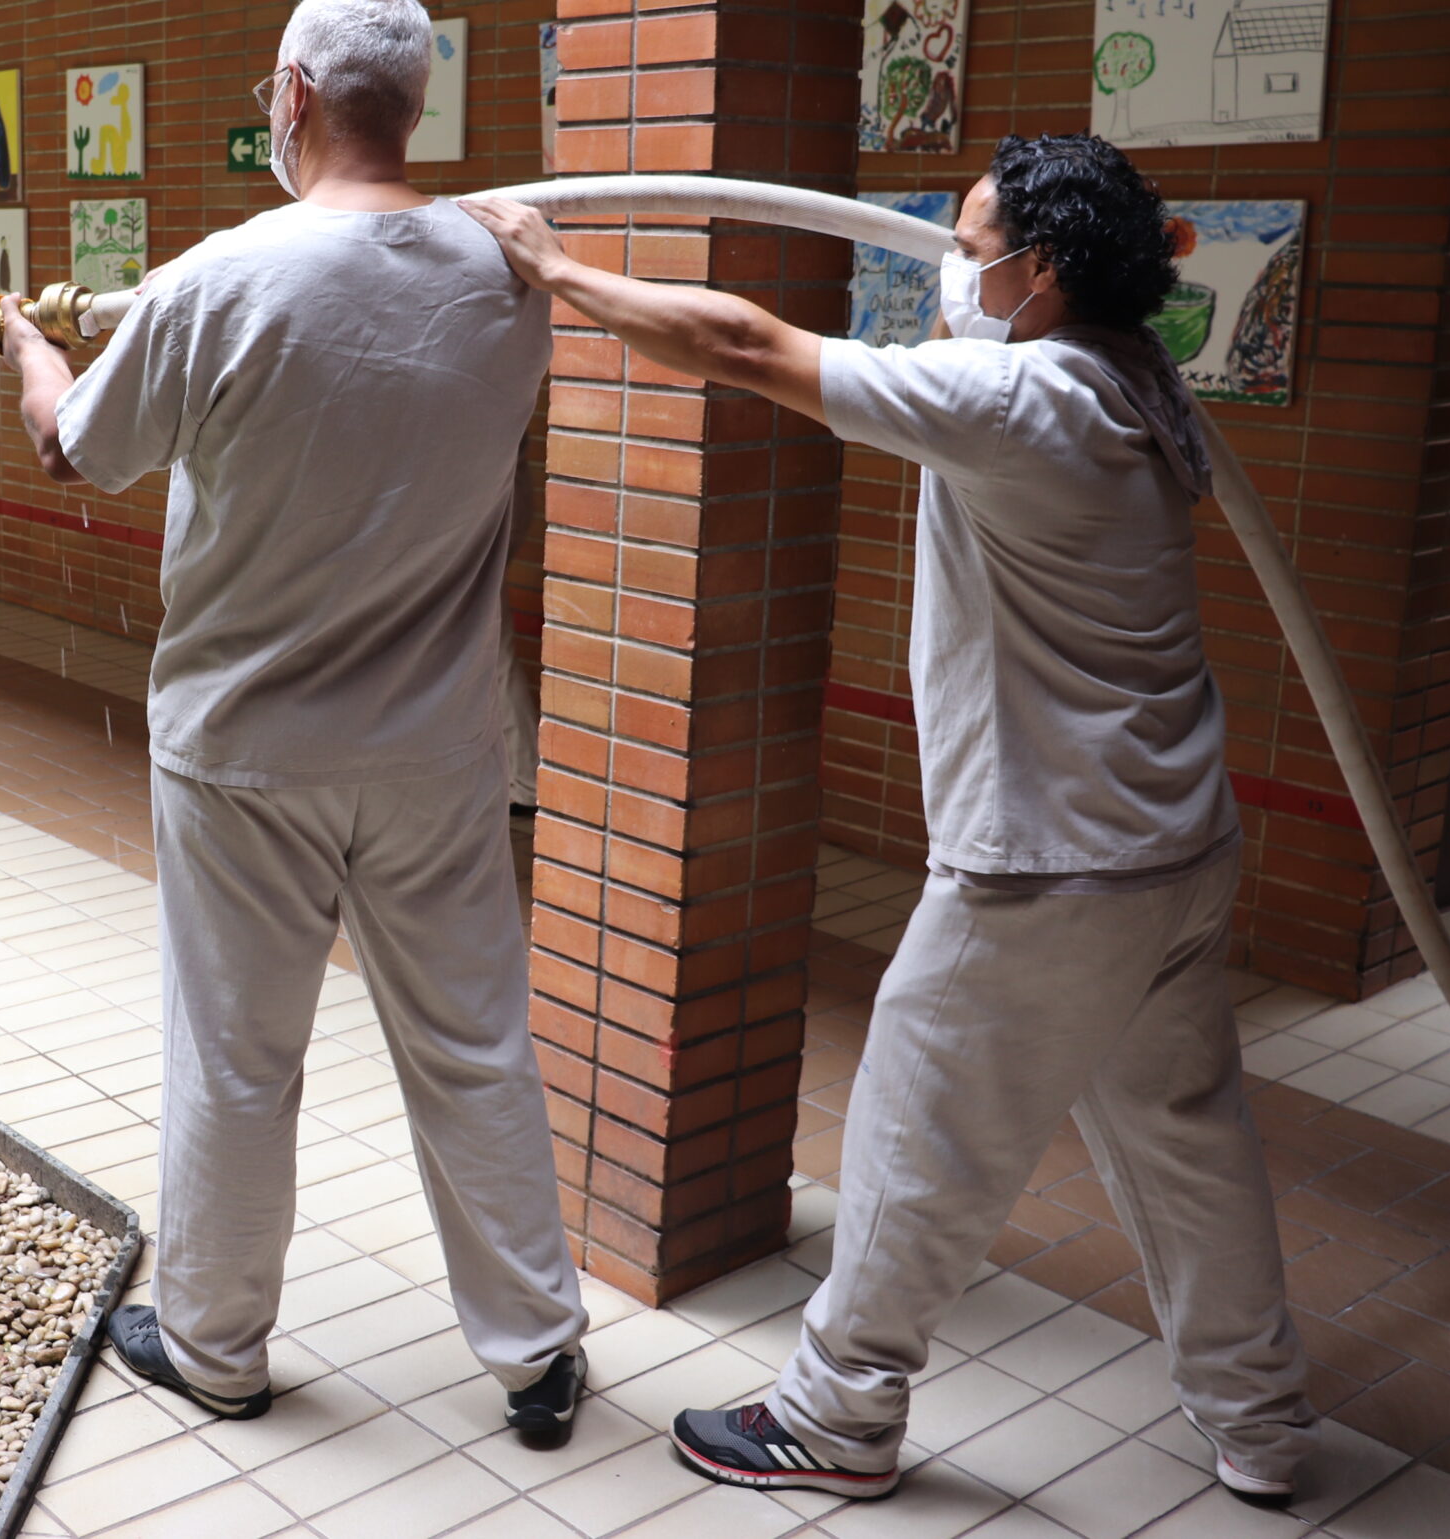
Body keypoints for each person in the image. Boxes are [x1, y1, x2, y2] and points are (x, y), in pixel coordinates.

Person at [463, 135, 1317, 1506]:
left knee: (917, 1139)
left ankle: (837, 1413)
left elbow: (744, 344)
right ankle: (1262, 1420)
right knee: (1187, 1140)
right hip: (1175, 846)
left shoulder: (1021, 396)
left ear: (1040, 275)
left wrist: (554, 266)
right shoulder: (1141, 384)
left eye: (968, 249)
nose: (949, 272)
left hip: (1049, 867)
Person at [0, 0, 592, 1446]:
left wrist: (23, 345)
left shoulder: (216, 281)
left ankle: (216, 1347)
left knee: (239, 1062)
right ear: (416, 101)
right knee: (473, 1047)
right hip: (441, 750)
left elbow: (79, 450)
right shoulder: (515, 276)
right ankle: (537, 1354)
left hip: (247, 754)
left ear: (294, 95)